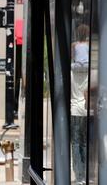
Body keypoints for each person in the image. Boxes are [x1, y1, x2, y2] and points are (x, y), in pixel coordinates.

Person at [70, 25, 89, 185]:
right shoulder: (93, 71)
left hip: (75, 110)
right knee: (86, 142)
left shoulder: (70, 71)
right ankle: (87, 174)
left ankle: (79, 176)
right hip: (88, 110)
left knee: (76, 143)